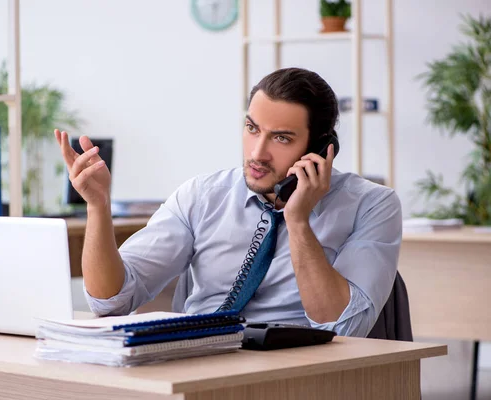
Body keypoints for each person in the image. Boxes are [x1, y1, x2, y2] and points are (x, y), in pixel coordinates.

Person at [54, 67, 402, 337]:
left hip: (296, 377)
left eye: (281, 138)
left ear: (320, 148)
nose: (258, 152)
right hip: (198, 363)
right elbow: (109, 300)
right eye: (252, 129)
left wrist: (298, 221)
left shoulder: (372, 205)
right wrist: (98, 206)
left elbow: (342, 326)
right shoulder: (203, 196)